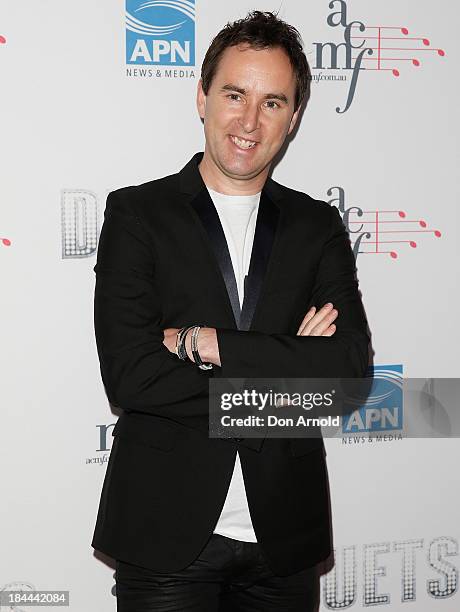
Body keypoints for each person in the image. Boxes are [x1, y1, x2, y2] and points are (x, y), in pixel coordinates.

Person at [91, 10, 369, 612]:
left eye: (273, 102)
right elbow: (131, 374)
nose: (249, 120)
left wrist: (210, 344)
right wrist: (290, 365)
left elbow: (348, 375)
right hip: (164, 535)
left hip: (285, 538)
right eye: (235, 94)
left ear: (293, 118)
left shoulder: (315, 226)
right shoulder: (138, 215)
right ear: (202, 96)